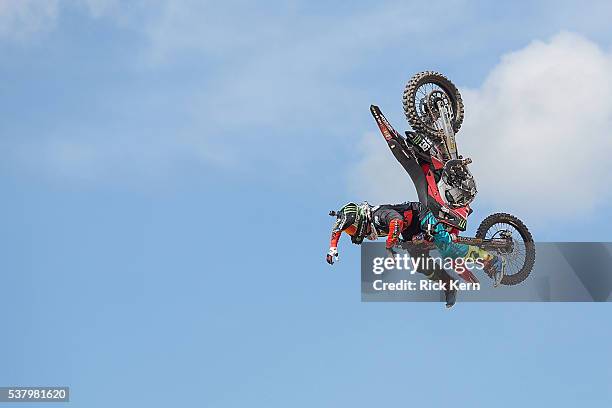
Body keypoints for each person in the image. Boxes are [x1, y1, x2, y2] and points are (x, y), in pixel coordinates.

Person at [326, 201, 505, 307]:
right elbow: (336, 231)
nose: (352, 232)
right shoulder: (368, 223)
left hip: (420, 216)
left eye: (351, 229)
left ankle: (492, 261)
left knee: (446, 246)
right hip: (409, 233)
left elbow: (396, 221)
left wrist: (390, 245)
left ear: (360, 217)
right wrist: (332, 248)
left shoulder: (378, 215)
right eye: (348, 231)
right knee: (420, 265)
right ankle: (449, 284)